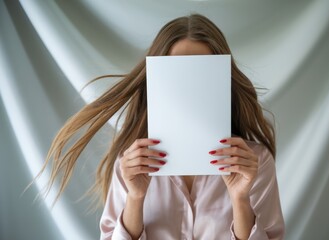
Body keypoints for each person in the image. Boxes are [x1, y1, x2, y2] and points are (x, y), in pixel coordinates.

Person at [37, 14, 284, 240]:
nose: (189, 88)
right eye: (176, 73)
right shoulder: (131, 165)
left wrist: (240, 200)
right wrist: (135, 198)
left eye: (202, 73)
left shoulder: (255, 163)